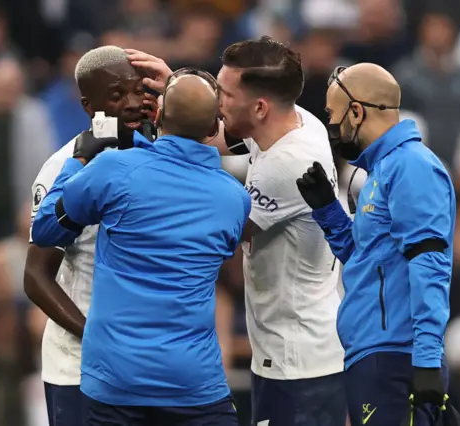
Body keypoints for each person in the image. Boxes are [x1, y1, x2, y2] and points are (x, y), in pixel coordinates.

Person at [127, 37, 346, 426]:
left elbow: (218, 232)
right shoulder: (293, 119)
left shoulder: (288, 164)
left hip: (298, 360)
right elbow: (214, 136)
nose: (216, 102)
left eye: (223, 93)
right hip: (290, 348)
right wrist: (181, 92)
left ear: (259, 107)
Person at [31, 70, 250, 426]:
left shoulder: (113, 169)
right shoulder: (235, 198)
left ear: (158, 114)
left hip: (116, 378)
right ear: (213, 129)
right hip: (193, 381)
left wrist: (78, 161)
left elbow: (45, 230)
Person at [295, 63, 457, 426]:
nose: (331, 128)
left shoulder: (411, 166)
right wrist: (328, 211)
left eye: (332, 116)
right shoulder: (380, 172)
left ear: (356, 111)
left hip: (397, 357)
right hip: (372, 355)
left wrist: (427, 360)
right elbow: (365, 260)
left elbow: (430, 264)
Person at [23, 45, 150, 426]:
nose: (131, 103)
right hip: (80, 367)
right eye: (116, 95)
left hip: (146, 361)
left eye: (137, 90)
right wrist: (93, 336)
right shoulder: (61, 169)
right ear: (87, 104)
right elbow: (35, 275)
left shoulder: (159, 155)